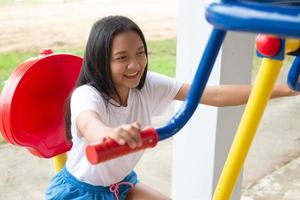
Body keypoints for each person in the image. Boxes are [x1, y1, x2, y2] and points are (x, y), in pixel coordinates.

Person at [46, 16, 298, 200]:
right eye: (122, 57)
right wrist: (111, 135)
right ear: (101, 60)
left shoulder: (146, 85)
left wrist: (287, 89)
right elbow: (91, 125)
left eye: (140, 52)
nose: (135, 64)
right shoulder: (87, 95)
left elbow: (214, 94)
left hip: (121, 186)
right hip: (80, 193)